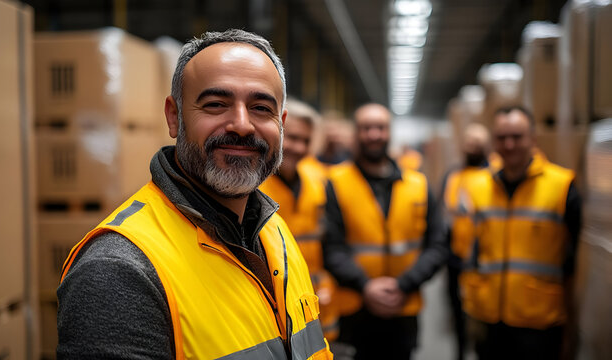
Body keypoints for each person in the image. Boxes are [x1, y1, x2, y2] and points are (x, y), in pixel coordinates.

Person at [56, 29, 333, 360]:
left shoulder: (274, 230)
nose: (242, 125)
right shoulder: (119, 270)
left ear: (281, 124)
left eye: (261, 108)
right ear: (174, 117)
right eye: (216, 104)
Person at [322, 103, 448, 359]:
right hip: (354, 309)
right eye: (366, 128)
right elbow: (331, 246)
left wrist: (404, 285)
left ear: (390, 132)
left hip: (404, 306)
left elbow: (438, 244)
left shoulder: (418, 184)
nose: (373, 134)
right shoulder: (335, 182)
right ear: (356, 134)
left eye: (380, 127)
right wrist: (365, 286)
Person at [460, 106, 581, 360]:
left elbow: (575, 260)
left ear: (533, 139)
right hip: (489, 316)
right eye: (502, 138)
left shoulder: (561, 185)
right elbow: (473, 251)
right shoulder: (478, 186)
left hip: (539, 321)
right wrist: (470, 306)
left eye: (517, 136)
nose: (510, 144)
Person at [259, 98, 339, 341]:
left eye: (306, 140)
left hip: (316, 302)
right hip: (272, 306)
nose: (299, 147)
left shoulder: (318, 181)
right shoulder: (252, 186)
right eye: (292, 138)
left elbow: (330, 241)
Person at [439, 123, 492, 360]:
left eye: (478, 141)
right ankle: (459, 353)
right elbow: (445, 215)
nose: (473, 145)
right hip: (456, 257)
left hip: (486, 261)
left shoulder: (495, 175)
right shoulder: (453, 176)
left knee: (483, 318)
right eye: (469, 140)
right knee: (458, 311)